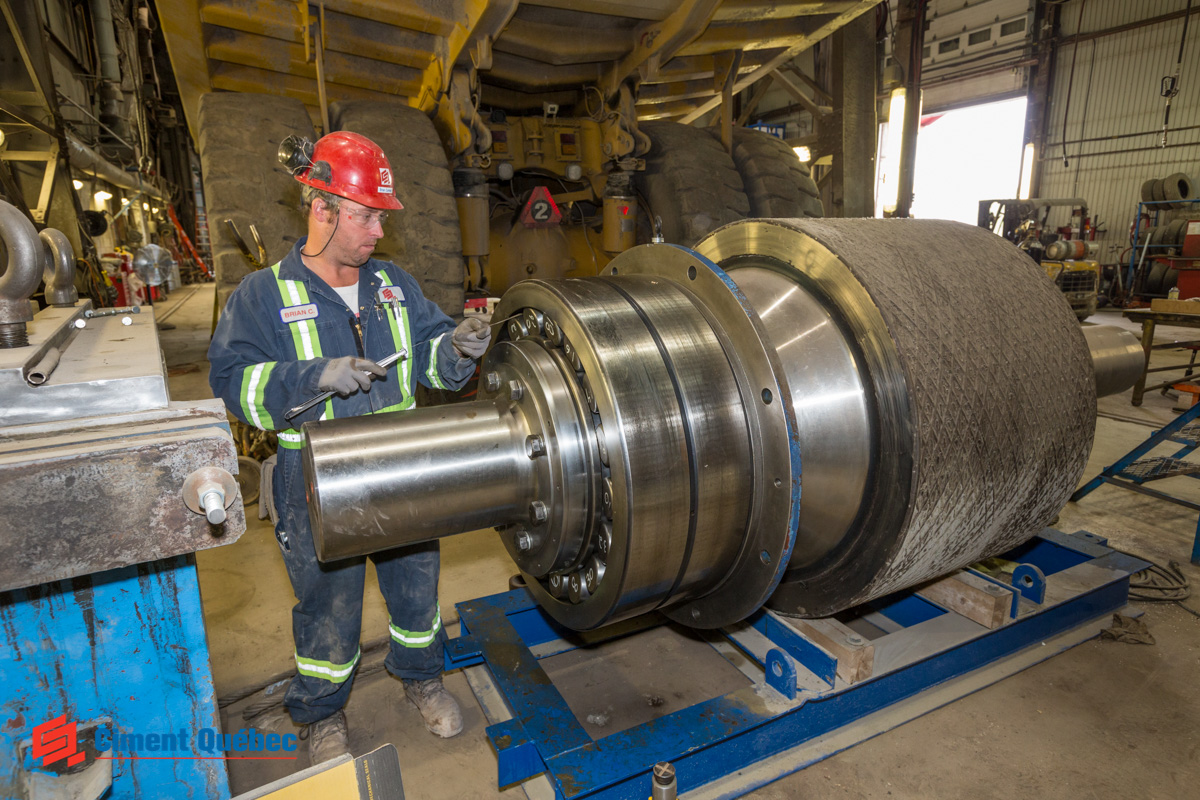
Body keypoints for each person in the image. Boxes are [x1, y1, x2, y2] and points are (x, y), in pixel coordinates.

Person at [207, 131, 491, 764]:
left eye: (380, 218)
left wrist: (459, 349)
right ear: (323, 209)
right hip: (313, 479)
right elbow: (234, 383)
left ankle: (421, 679)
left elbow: (433, 363)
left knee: (416, 592)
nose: (378, 234)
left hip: (398, 465)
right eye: (366, 216)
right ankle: (322, 715)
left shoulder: (393, 284)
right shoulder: (264, 295)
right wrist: (311, 377)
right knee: (327, 607)